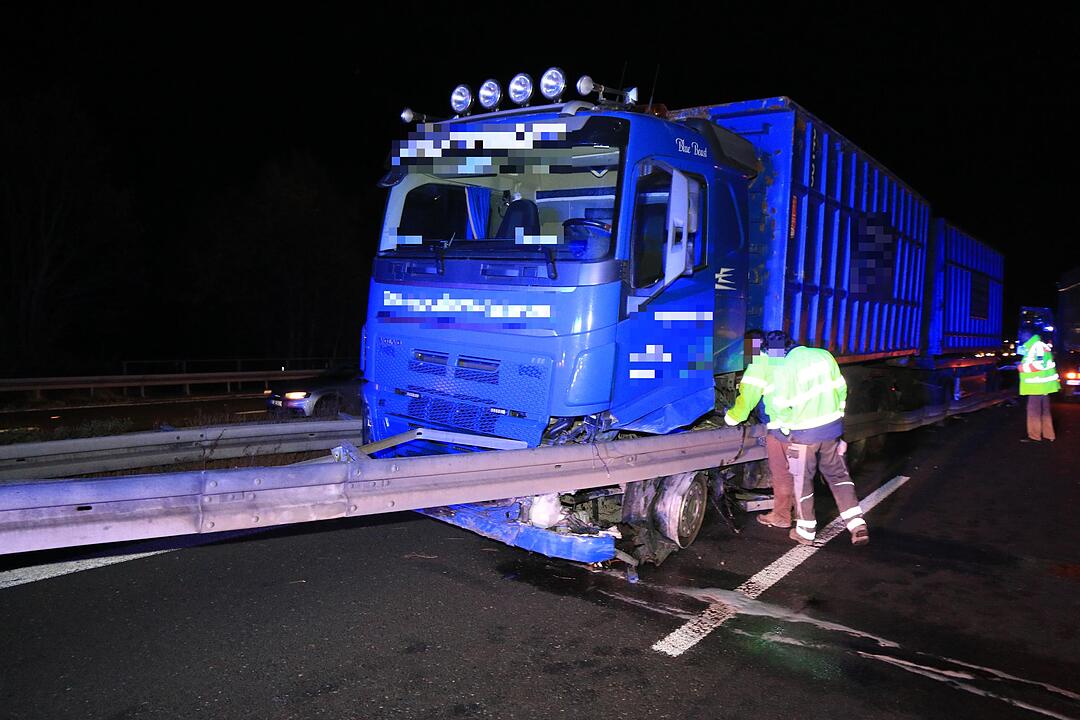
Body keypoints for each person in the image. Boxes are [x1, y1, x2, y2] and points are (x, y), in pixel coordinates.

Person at [766, 333, 869, 547]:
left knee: (802, 482)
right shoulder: (824, 356)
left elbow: (779, 405)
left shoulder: (784, 368)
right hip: (832, 430)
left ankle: (806, 531)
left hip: (804, 436)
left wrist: (786, 429)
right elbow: (841, 390)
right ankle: (857, 524)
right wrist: (838, 419)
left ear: (775, 352)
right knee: (839, 476)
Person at [724, 331, 794, 530]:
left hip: (781, 426)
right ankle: (802, 516)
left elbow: (747, 399)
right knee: (799, 472)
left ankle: (782, 516)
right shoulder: (788, 359)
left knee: (781, 472)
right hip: (804, 423)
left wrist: (730, 418)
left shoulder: (759, 363)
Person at [1018, 334, 1059, 442]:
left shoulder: (1036, 347)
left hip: (1036, 385)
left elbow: (1039, 365)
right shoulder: (1042, 345)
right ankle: (1049, 434)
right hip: (1044, 385)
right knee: (1045, 411)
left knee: (1033, 411)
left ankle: (1034, 435)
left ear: (1026, 337)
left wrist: (1021, 367)